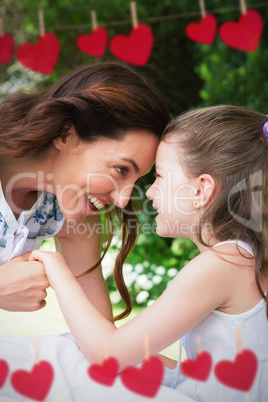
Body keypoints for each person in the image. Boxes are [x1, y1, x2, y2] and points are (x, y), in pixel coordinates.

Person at [28, 105, 268, 401]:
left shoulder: (223, 265)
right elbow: (207, 371)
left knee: (62, 361)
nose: (149, 192)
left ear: (201, 189)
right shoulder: (244, 261)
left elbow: (108, 355)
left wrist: (58, 271)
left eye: (160, 177)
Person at [0, 62, 170, 321]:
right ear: (67, 133)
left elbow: (98, 333)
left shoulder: (67, 207)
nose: (122, 199)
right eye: (121, 170)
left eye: (136, 180)